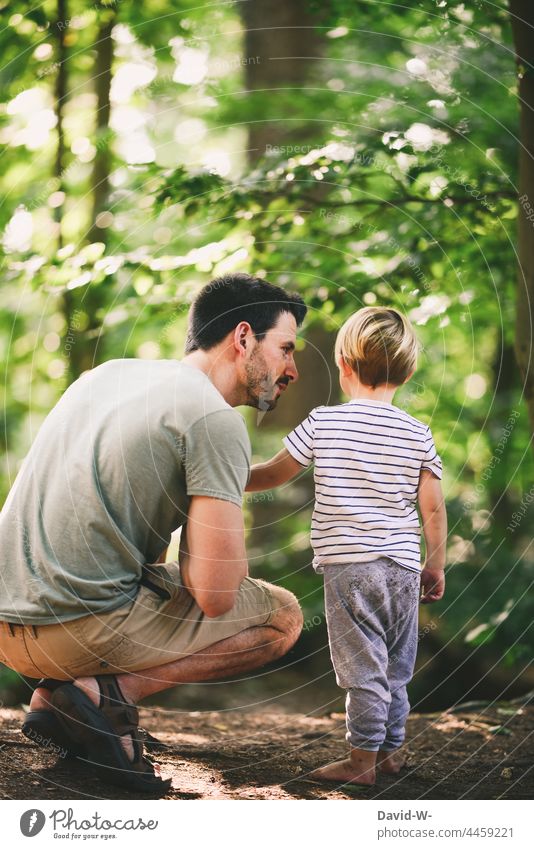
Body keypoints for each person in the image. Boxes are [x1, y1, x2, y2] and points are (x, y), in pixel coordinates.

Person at [0, 272, 306, 794]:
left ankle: (61, 697)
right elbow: (215, 595)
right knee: (281, 616)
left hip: (7, 625)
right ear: (243, 337)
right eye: (285, 349)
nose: (292, 370)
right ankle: (105, 696)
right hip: (73, 632)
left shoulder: (107, 376)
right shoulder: (214, 418)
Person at [246, 306, 447, 785]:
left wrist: (222, 477)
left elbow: (276, 472)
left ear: (343, 365)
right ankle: (389, 753)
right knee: (394, 666)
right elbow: (433, 509)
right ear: (410, 370)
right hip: (402, 568)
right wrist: (434, 565)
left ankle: (360, 764)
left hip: (350, 567)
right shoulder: (418, 433)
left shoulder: (325, 423)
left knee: (362, 667)